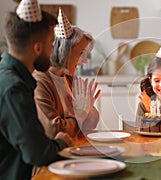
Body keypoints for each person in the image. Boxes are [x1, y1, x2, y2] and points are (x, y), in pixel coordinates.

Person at [0, 1, 72, 180]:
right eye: (51, 43)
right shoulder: (14, 89)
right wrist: (61, 141)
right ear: (37, 47)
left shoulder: (9, 77)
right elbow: (37, 154)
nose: (52, 51)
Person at [33, 9, 100, 138]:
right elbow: (53, 131)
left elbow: (92, 122)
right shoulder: (40, 82)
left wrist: (87, 108)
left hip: (75, 145)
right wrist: (81, 113)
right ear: (65, 51)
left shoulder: (69, 78)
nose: (84, 61)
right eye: (81, 53)